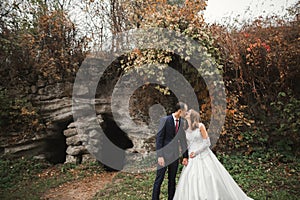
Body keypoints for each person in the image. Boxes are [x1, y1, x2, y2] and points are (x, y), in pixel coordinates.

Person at [173, 109, 253, 200]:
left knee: (209, 176)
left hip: (202, 154)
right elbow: (186, 144)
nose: (186, 113)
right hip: (191, 157)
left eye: (188, 113)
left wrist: (196, 152)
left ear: (192, 116)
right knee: (191, 177)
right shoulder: (186, 129)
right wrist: (185, 156)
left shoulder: (200, 126)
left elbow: (207, 142)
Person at [152, 102, 189, 200]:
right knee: (159, 180)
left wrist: (185, 156)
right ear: (180, 111)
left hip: (175, 155)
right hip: (163, 156)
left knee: (172, 180)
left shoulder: (181, 122)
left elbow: (183, 140)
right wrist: (160, 156)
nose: (186, 114)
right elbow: (159, 139)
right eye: (185, 111)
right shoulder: (165, 120)